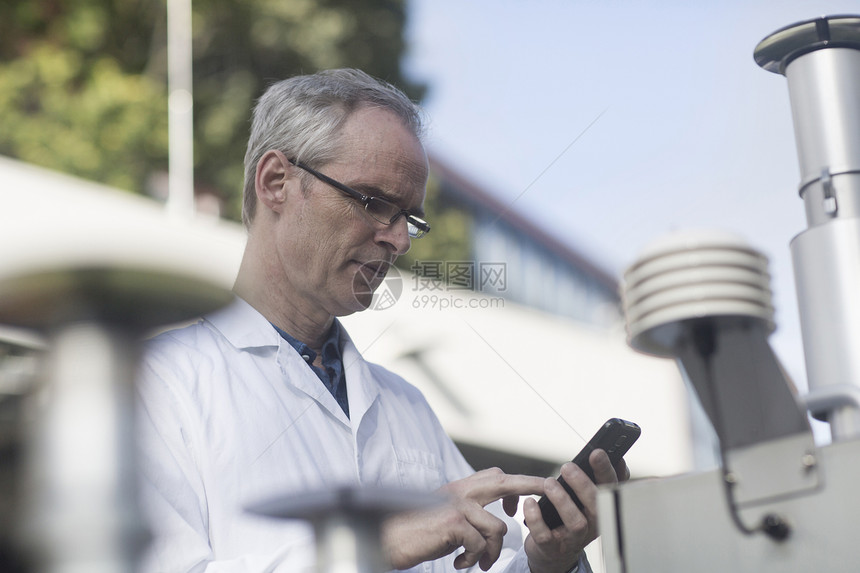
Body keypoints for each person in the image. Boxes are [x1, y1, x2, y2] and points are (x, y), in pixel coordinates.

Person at [135, 68, 628, 573]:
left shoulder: (405, 407)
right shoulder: (155, 384)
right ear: (276, 182)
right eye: (373, 202)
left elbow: (480, 563)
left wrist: (548, 559)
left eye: (410, 218)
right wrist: (371, 545)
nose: (399, 240)